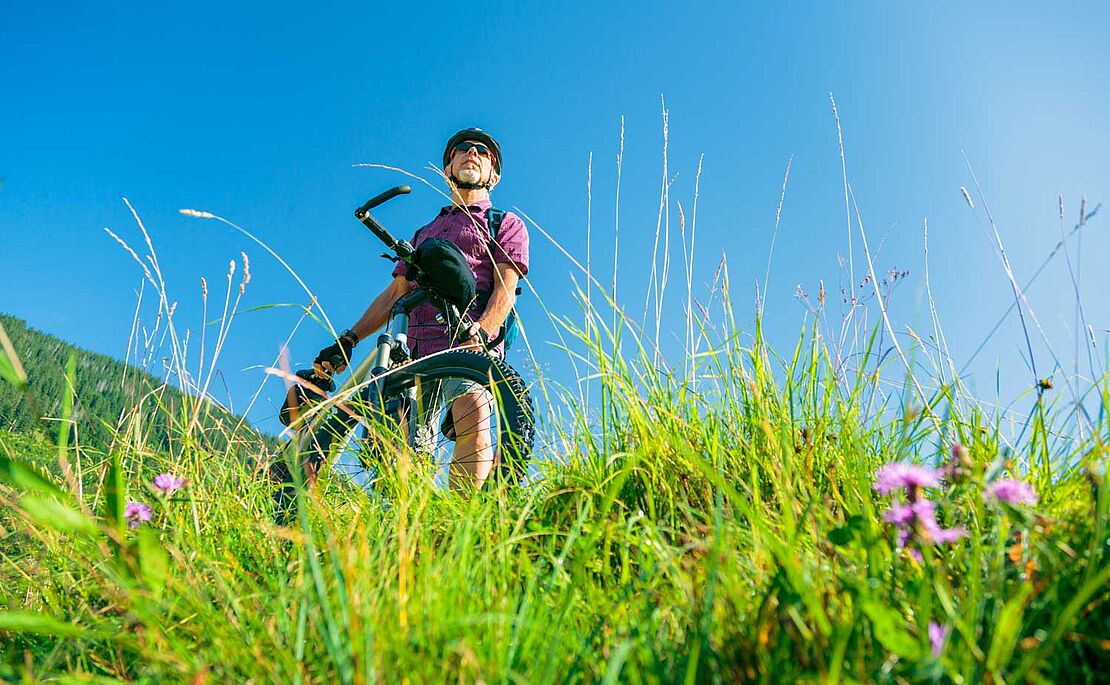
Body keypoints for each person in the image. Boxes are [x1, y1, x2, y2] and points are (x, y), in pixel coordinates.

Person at [312, 127, 529, 491]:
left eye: (483, 151)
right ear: (448, 169)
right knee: (402, 447)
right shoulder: (424, 232)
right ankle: (408, 529)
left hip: (467, 342)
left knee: (472, 419)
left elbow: (506, 287)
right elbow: (395, 293)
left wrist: (483, 331)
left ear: (494, 174)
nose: (471, 153)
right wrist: (348, 339)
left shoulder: (505, 224)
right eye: (462, 149)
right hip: (412, 351)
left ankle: (465, 523)